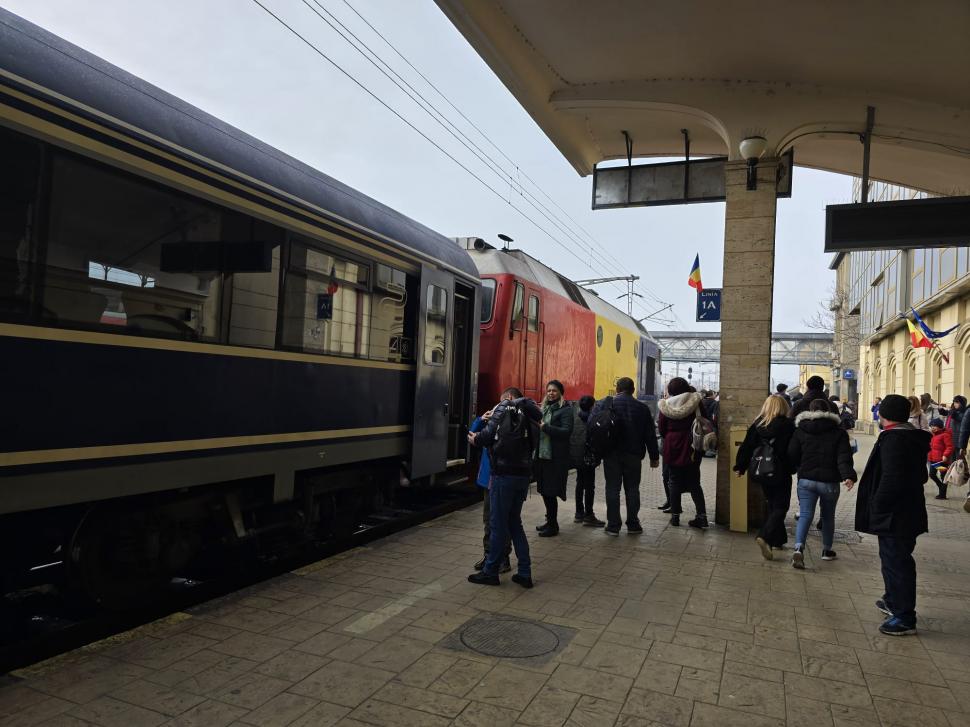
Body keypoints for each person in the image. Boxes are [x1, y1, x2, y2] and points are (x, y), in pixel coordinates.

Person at [855, 394, 930, 635]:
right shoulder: (911, 437)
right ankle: (892, 600)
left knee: (897, 562)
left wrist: (878, 504)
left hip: (895, 514)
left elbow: (892, 478)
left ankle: (904, 616)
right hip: (908, 510)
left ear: (883, 415)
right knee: (893, 559)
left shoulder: (894, 440)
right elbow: (921, 475)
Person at [467, 387, 541, 588]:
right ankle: (524, 572)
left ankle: (490, 571)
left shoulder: (503, 409)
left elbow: (485, 437)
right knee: (515, 523)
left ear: (508, 398)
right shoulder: (531, 414)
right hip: (523, 477)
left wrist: (475, 438)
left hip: (503, 476)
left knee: (497, 525)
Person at [788, 399, 857, 568]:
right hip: (829, 482)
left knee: (805, 514)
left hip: (806, 480)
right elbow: (844, 457)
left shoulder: (800, 430)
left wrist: (796, 468)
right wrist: (848, 476)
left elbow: (792, 454)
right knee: (827, 516)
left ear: (810, 411)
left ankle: (798, 548)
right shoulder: (839, 432)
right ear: (829, 412)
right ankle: (826, 550)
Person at [590, 377, 660, 535]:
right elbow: (650, 435)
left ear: (617, 389)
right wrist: (654, 457)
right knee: (633, 489)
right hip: (633, 455)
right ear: (633, 390)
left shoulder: (606, 404)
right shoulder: (642, 408)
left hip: (611, 455)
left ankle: (613, 526)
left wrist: (596, 452)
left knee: (612, 489)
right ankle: (633, 524)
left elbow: (593, 426)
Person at [734, 394, 795, 560]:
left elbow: (747, 447)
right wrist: (793, 467)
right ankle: (765, 536)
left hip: (762, 471)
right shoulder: (789, 426)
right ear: (784, 407)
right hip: (781, 471)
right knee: (781, 506)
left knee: (773, 503)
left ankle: (778, 539)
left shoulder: (758, 424)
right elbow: (793, 450)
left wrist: (740, 467)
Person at [658, 377, 709, 528]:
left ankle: (675, 517)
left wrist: (672, 435)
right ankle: (702, 517)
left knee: (673, 480)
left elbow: (662, 429)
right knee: (694, 482)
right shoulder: (696, 401)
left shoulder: (665, 405)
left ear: (671, 390)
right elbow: (705, 420)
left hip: (672, 445)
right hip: (692, 445)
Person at [470, 413, 510, 573]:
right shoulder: (492, 420)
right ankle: (488, 555)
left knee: (501, 520)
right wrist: (481, 419)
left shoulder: (511, 423)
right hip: (488, 479)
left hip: (500, 479)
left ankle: (503, 558)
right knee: (488, 520)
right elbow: (472, 435)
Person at [535, 380, 574, 538]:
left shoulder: (565, 410)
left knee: (550, 492)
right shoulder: (543, 408)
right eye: (549, 390)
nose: (551, 393)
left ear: (560, 393)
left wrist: (546, 427)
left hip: (555, 457)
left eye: (554, 391)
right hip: (542, 456)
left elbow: (566, 431)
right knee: (544, 491)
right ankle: (549, 521)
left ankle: (553, 525)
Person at [569, 395, 603, 526]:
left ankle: (579, 513)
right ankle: (589, 515)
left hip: (577, 457)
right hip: (589, 458)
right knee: (589, 486)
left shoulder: (575, 418)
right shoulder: (593, 419)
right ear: (592, 406)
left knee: (579, 484)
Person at [927, 417, 953, 500]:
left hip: (941, 461)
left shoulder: (945, 435)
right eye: (931, 426)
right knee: (932, 474)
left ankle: (942, 494)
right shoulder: (933, 435)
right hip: (933, 460)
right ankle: (941, 486)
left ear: (940, 426)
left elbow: (949, 447)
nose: (932, 427)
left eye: (934, 426)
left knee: (943, 476)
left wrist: (945, 455)